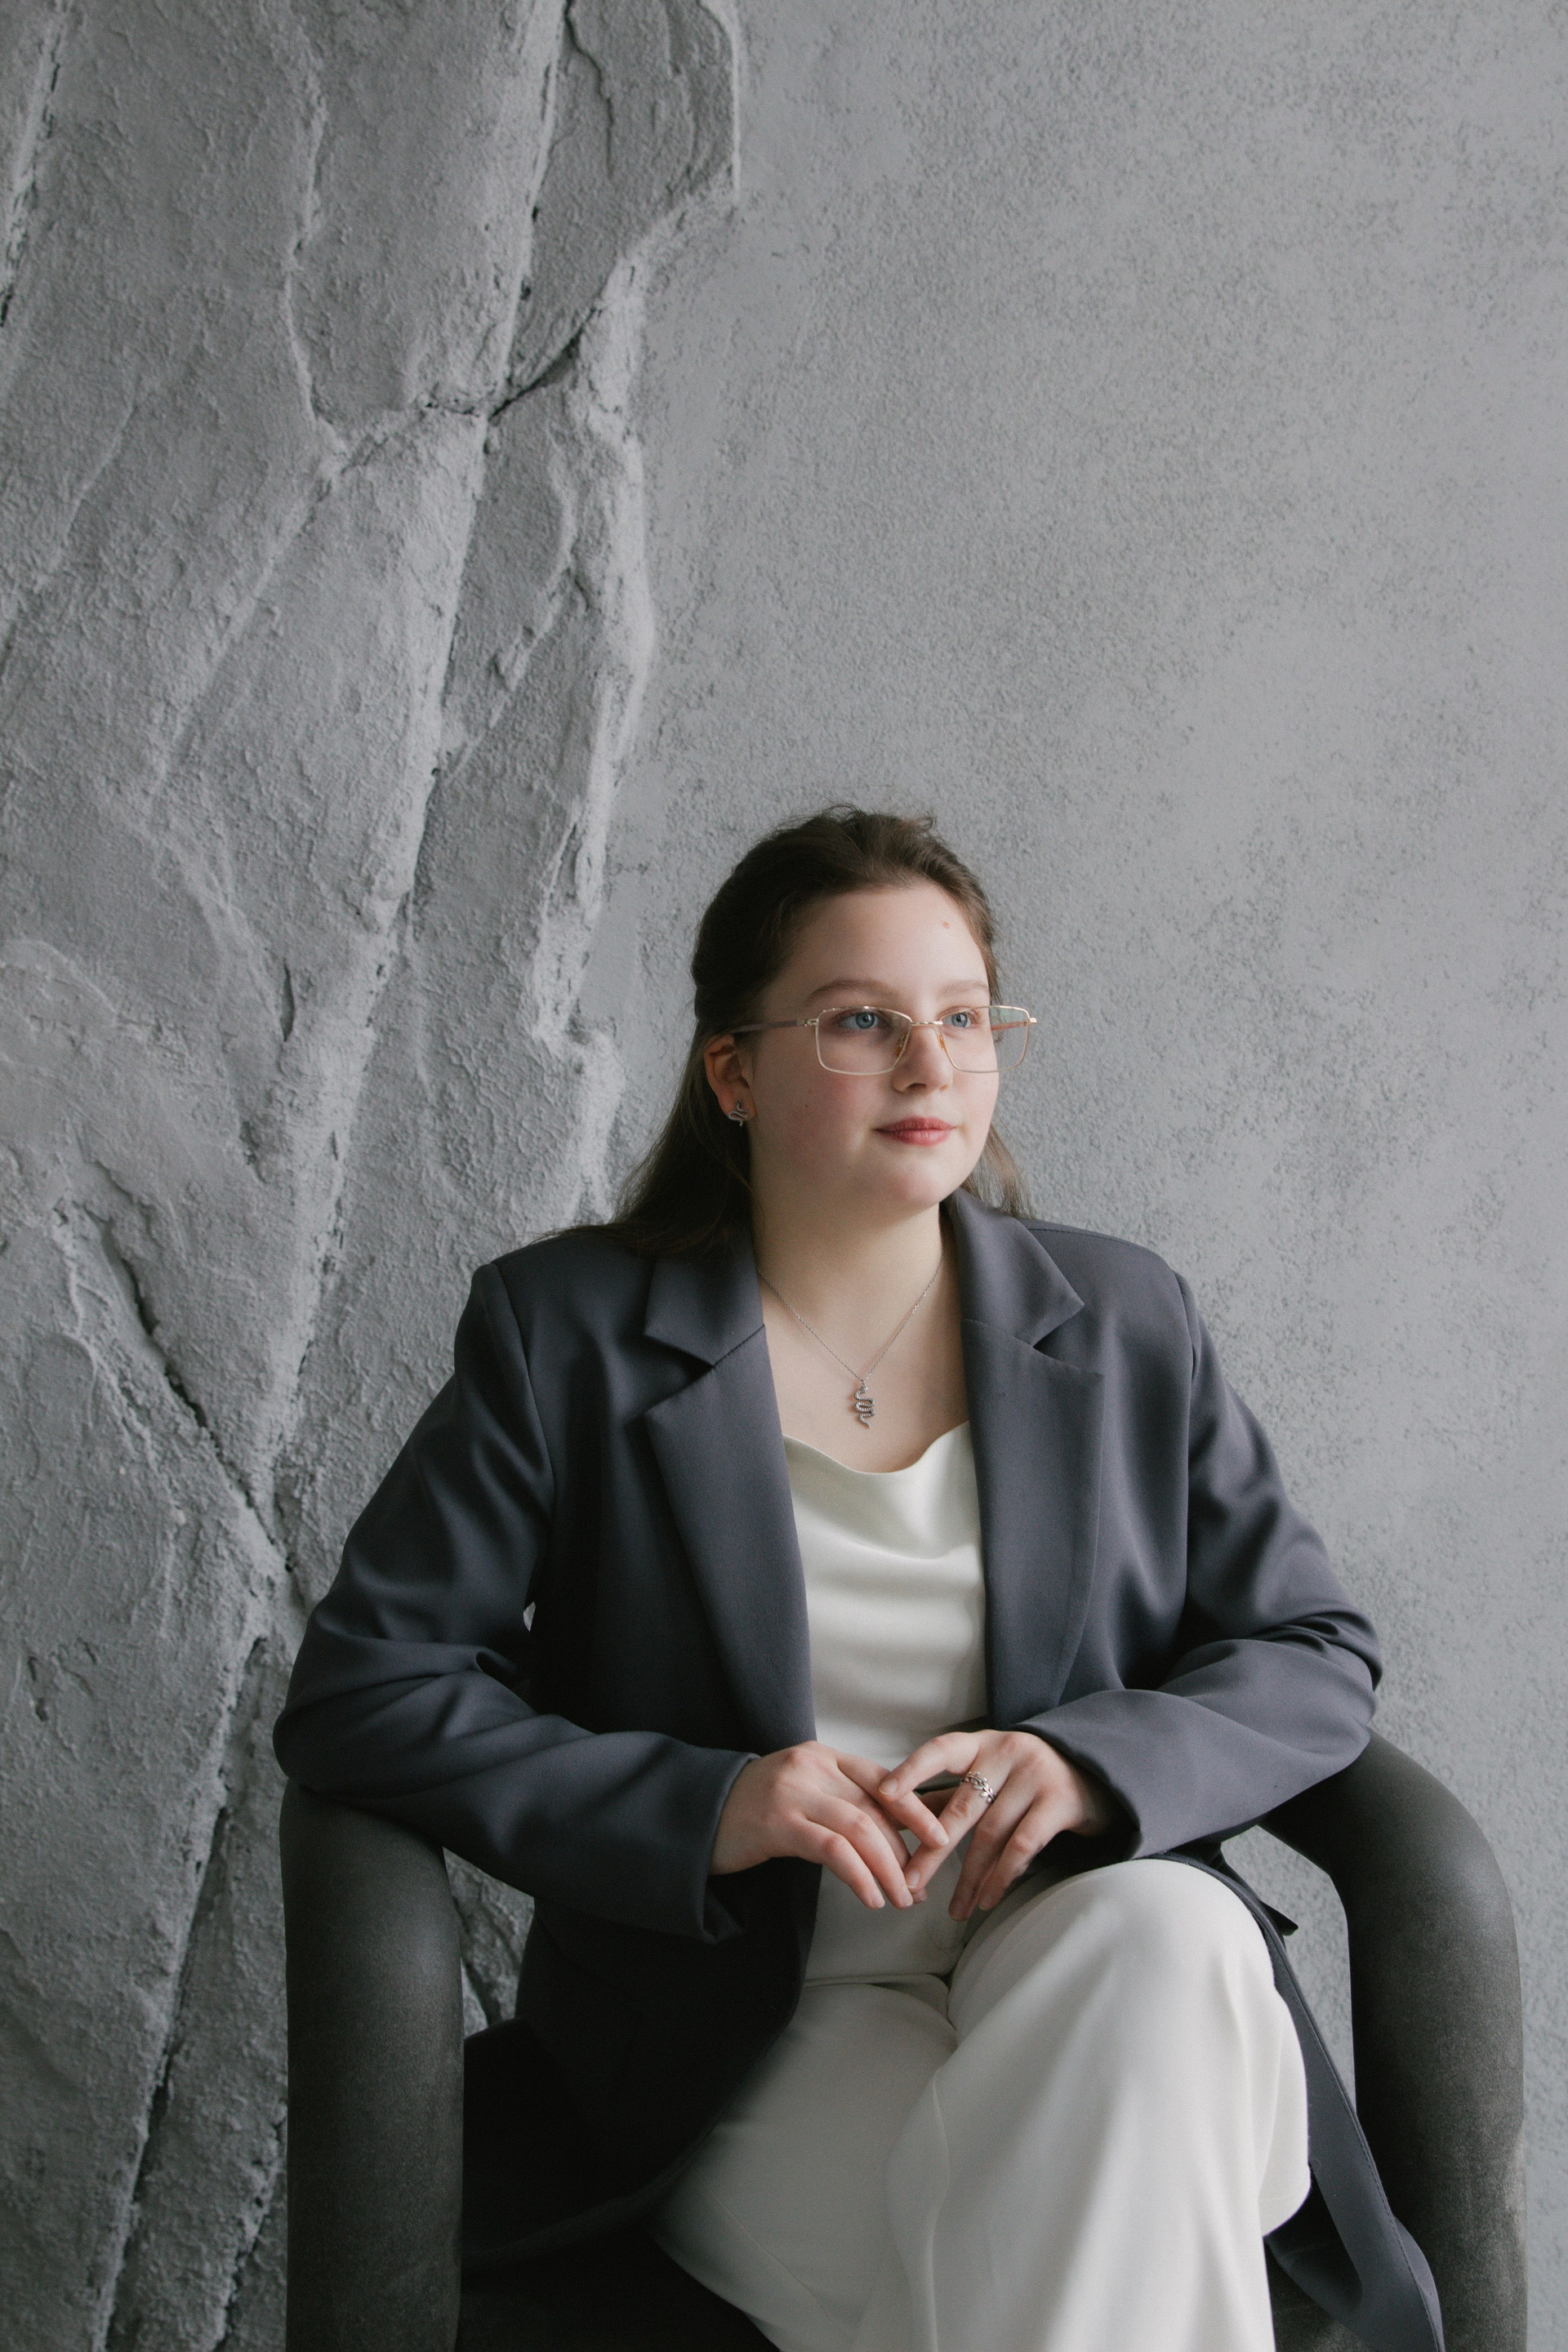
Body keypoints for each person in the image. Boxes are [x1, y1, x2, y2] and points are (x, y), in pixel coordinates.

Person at [274, 807, 1383, 2352]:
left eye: (964, 1018)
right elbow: (366, 1692)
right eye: (864, 1022)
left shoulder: (1129, 1319)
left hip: (1080, 1958)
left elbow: (1313, 1647)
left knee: (1176, 1942)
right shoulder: (565, 1334)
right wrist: (709, 1802)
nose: (933, 1067)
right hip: (752, 2027)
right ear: (733, 1072)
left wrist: (1090, 1765)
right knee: (1051, 2266)